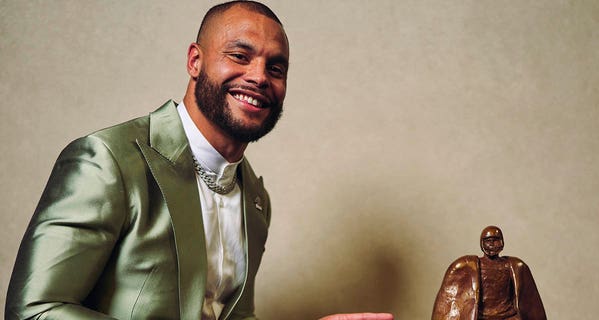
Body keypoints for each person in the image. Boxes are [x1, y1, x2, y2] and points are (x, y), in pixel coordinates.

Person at [5, 2, 393, 320]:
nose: (259, 76)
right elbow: (34, 310)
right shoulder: (106, 160)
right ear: (195, 61)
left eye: (276, 68)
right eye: (240, 55)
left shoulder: (256, 199)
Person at [431, 226, 546, 320]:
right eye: (488, 241)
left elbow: (530, 300)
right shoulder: (470, 266)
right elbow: (449, 299)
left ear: (502, 242)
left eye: (495, 240)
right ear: (482, 243)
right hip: (482, 317)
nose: (492, 244)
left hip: (508, 316)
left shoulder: (514, 266)